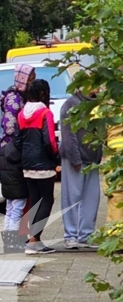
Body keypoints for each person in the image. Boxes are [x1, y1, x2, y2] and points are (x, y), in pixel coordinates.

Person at [0, 63, 34, 251]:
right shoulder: (15, 99)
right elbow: (11, 127)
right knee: (17, 203)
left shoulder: (12, 96)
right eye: (30, 77)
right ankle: (13, 242)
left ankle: (9, 241)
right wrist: (21, 141)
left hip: (6, 158)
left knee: (10, 205)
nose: (32, 81)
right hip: (13, 158)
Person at [16, 78, 59, 255]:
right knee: (47, 200)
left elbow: (17, 140)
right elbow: (50, 141)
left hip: (27, 163)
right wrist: (56, 157)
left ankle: (33, 239)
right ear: (43, 93)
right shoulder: (45, 113)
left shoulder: (21, 113)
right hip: (43, 163)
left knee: (34, 200)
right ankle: (34, 240)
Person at [59, 88, 101, 250]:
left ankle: (86, 235)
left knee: (92, 198)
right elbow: (68, 134)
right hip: (75, 159)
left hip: (92, 159)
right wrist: (75, 158)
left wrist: (98, 155)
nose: (98, 87)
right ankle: (70, 235)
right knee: (72, 197)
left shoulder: (96, 104)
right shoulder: (70, 104)